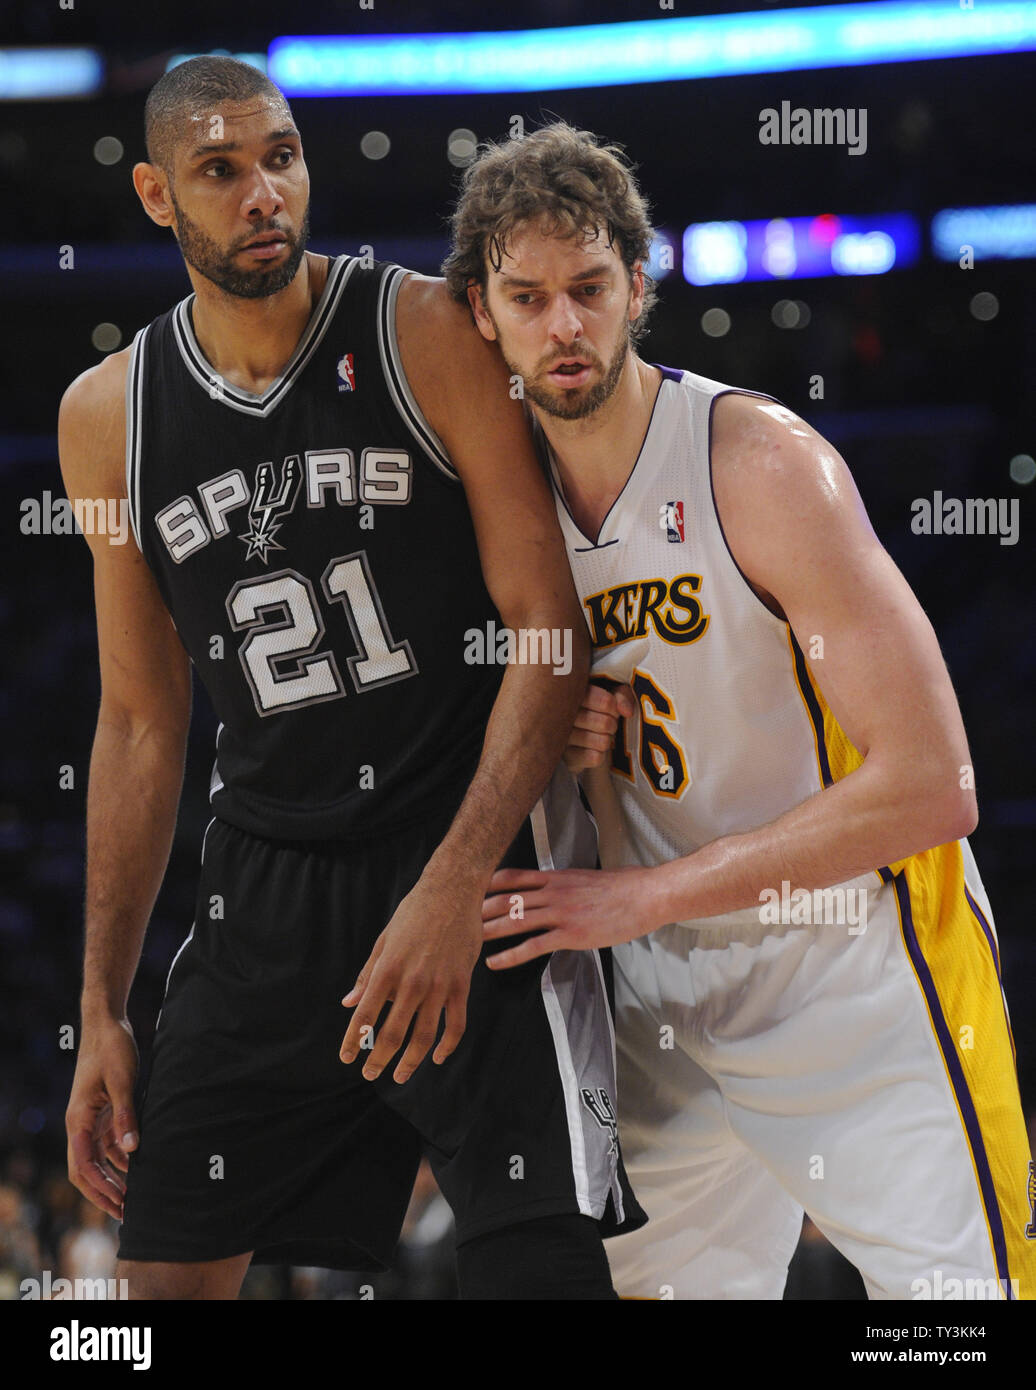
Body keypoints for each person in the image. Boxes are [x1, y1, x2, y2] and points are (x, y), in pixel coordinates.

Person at [60, 61, 643, 1301]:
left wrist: (453, 884)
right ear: (159, 198)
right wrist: (102, 1004)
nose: (263, 191)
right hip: (262, 900)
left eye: (281, 156)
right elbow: (139, 718)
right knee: (137, 1310)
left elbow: (548, 629)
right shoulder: (108, 415)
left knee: (544, 1278)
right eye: (222, 170)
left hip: (470, 876)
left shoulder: (421, 324)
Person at [451, 121, 1036, 1300]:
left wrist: (637, 894)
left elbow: (934, 780)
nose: (562, 325)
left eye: (588, 288)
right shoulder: (492, 505)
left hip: (857, 968)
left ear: (638, 289)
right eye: (528, 296)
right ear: (481, 313)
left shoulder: (755, 463)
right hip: (658, 1000)